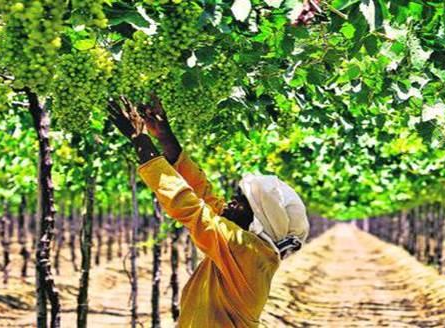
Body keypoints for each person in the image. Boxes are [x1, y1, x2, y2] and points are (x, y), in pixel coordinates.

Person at [108, 96, 310, 327]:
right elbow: (204, 195)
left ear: (259, 219)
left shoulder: (246, 250)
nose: (230, 202)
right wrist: (165, 135)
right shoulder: (252, 249)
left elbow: (191, 208)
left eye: (241, 201)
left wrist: (140, 139)